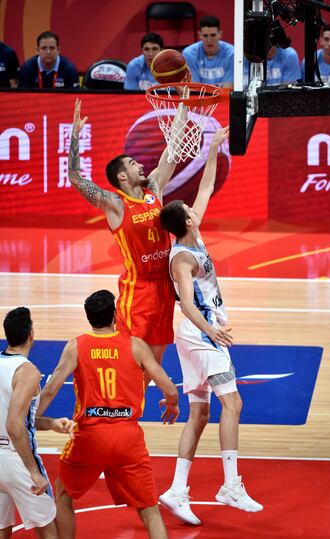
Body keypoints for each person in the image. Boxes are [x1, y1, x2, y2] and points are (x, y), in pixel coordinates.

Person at [158, 126, 263, 526]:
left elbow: (205, 186)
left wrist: (213, 148)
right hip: (200, 332)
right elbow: (185, 302)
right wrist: (212, 330)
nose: (195, 209)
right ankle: (230, 485)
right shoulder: (183, 256)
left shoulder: (192, 232)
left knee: (199, 414)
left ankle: (177, 490)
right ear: (185, 220)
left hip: (195, 334)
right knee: (232, 403)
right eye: (189, 209)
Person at [37, 289, 179, 539]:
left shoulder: (76, 346)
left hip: (90, 435)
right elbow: (169, 388)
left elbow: (50, 390)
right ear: (115, 315)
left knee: (62, 494)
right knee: (149, 508)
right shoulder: (135, 345)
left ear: (89, 318)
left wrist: (31, 418)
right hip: (127, 436)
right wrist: (172, 404)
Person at [68, 97, 187, 374]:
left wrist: (183, 103)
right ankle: (112, 406)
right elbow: (75, 178)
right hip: (139, 290)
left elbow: (172, 151)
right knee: (128, 358)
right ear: (122, 176)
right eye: (134, 164)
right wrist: (75, 138)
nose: (141, 167)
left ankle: (134, 411)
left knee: (154, 363)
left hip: (165, 289)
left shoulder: (154, 190)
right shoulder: (116, 204)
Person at [0, 307, 74, 538]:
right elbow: (14, 423)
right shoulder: (28, 371)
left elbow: (14, 416)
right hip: (16, 459)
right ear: (32, 334)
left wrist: (50, 423)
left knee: (2, 528)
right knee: (49, 531)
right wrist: (33, 470)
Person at [182, 15, 234, 88]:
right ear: (200, 35)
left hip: (224, 97)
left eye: (213, 35)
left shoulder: (232, 53)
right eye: (205, 36)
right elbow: (194, 87)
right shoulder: (189, 54)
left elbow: (229, 86)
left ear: (220, 34)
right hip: (199, 98)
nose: (209, 40)